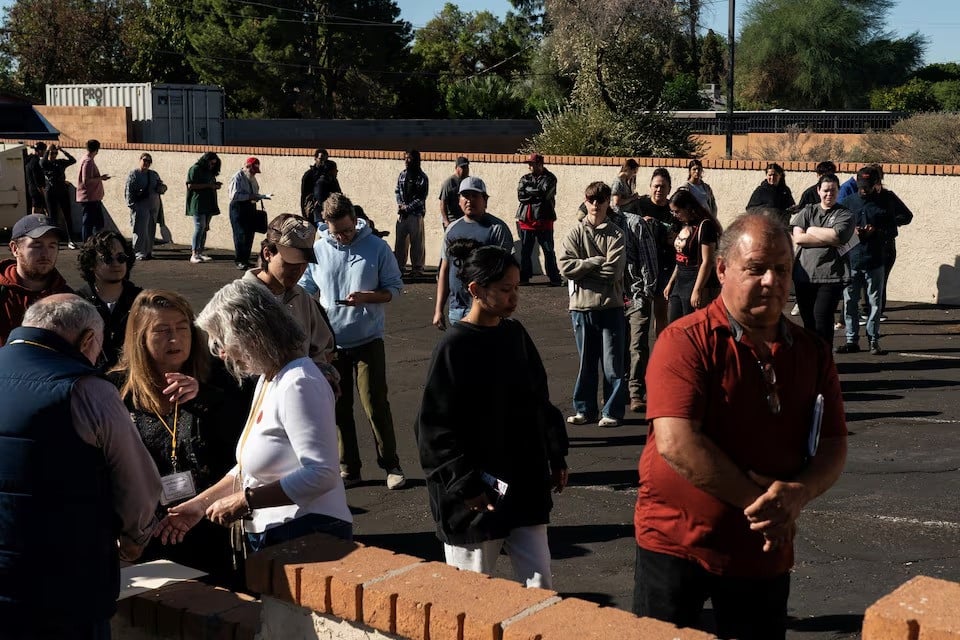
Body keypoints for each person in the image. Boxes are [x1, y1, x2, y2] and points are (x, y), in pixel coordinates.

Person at [633, 213, 847, 639]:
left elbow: (834, 443)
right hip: (678, 542)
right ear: (723, 269)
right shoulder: (685, 340)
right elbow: (677, 442)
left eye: (783, 269)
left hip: (761, 552)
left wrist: (800, 493)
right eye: (756, 268)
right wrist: (766, 507)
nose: (772, 281)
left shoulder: (812, 351)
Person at [0, 294, 161, 639]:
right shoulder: (88, 390)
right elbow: (140, 487)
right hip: (66, 589)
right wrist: (135, 540)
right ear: (88, 340)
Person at [157, 279, 352, 553]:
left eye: (223, 340)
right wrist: (199, 506)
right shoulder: (269, 379)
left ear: (250, 333)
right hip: (281, 533)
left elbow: (322, 473)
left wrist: (245, 501)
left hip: (307, 533)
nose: (223, 352)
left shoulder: (299, 382)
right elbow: (246, 469)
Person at [416, 239, 569, 588]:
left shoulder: (515, 334)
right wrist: (465, 484)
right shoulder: (454, 348)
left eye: (516, 288)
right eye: (504, 289)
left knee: (540, 586)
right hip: (475, 501)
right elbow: (434, 430)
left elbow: (539, 402)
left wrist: (556, 454)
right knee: (473, 595)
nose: (514, 297)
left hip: (524, 488)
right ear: (475, 289)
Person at [108, 290, 240, 584]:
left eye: (182, 329)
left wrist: (204, 398)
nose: (175, 339)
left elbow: (244, 452)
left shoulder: (219, 379)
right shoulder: (116, 390)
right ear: (140, 337)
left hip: (206, 521)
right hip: (144, 532)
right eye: (162, 331)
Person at [299, 193, 407, 490]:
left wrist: (367, 297)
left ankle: (391, 464)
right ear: (326, 225)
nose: (344, 237)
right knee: (339, 406)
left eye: (348, 230)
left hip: (368, 339)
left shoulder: (376, 247)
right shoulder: (318, 249)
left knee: (374, 402)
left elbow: (395, 288)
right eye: (337, 232)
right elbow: (305, 288)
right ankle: (349, 467)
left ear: (355, 220)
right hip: (330, 344)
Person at [242, 213, 339, 390]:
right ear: (267, 253)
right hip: (254, 403)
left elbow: (325, 347)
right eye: (290, 262)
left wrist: (320, 376)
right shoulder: (239, 299)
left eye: (303, 263)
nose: (298, 270)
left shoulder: (302, 297)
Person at [558, 181, 627, 428]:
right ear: (585, 201)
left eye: (601, 199)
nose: (595, 204)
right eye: (591, 199)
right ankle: (584, 409)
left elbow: (613, 271)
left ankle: (612, 411)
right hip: (581, 307)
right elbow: (565, 267)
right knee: (586, 363)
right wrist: (596, 261)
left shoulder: (617, 234)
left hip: (611, 307)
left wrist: (584, 268)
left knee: (612, 365)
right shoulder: (575, 232)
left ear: (608, 202)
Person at [434, 176, 515, 328]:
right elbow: (445, 270)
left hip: (486, 310)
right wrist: (438, 309)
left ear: (485, 200)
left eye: (475, 196)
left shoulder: (496, 229)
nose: (469, 200)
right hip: (456, 310)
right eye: (465, 196)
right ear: (459, 200)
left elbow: (506, 273)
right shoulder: (452, 229)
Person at [790, 173, 855, 345]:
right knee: (808, 323)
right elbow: (798, 238)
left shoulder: (845, 214)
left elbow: (837, 236)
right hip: (804, 275)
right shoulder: (807, 211)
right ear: (818, 190)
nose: (829, 194)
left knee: (822, 321)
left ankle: (825, 362)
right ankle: (812, 362)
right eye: (825, 190)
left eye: (833, 190)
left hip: (831, 276)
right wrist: (825, 236)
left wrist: (810, 230)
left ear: (838, 191)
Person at [835, 167, 893, 355]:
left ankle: (873, 339)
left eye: (867, 186)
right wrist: (854, 232)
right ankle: (851, 340)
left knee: (874, 303)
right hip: (851, 260)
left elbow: (894, 229)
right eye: (861, 185)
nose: (863, 189)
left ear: (876, 184)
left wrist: (877, 230)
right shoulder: (846, 203)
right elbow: (837, 229)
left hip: (875, 259)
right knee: (850, 302)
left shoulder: (884, 202)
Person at [0, 214, 72, 345]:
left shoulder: (67, 298)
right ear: (15, 249)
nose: (45, 253)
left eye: (52, 245)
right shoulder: (3, 294)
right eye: (37, 245)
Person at [75, 230, 142, 369]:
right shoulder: (77, 303)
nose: (116, 263)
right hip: (89, 380)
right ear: (91, 263)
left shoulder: (142, 301)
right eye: (107, 258)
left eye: (121, 257)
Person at [623, 199, 659, 413]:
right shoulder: (595, 226)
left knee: (637, 344)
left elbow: (648, 258)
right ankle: (621, 390)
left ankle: (636, 391)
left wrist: (647, 291)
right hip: (614, 296)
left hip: (636, 293)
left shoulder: (634, 224)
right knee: (616, 346)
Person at [664, 189, 721, 323]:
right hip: (680, 282)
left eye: (677, 211)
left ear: (687, 208)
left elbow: (707, 261)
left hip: (695, 280)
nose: (674, 215)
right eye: (672, 211)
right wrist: (671, 282)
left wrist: (697, 290)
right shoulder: (683, 225)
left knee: (691, 326)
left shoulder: (705, 226)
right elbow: (680, 259)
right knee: (674, 325)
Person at [635, 167, 675, 337]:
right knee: (640, 314)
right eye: (656, 186)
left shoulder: (673, 210)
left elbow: (679, 235)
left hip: (664, 264)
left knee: (661, 312)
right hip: (642, 265)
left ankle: (660, 349)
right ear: (650, 186)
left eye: (663, 187)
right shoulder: (639, 206)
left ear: (669, 189)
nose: (659, 190)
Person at [515, 153, 561, 286]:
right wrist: (535, 193)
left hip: (544, 219)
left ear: (540, 164)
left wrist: (529, 191)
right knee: (526, 251)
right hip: (526, 220)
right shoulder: (524, 178)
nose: (529, 166)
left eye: (532, 164)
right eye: (529, 164)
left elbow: (545, 194)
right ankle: (524, 278)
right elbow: (520, 196)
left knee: (548, 251)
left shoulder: (550, 178)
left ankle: (554, 278)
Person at [228, 156, 269, 270]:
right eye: (252, 170)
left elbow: (255, 191)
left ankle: (245, 259)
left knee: (249, 233)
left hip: (250, 206)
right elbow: (234, 195)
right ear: (247, 166)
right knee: (240, 234)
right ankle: (239, 260)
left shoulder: (252, 178)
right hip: (238, 207)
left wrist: (258, 196)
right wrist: (250, 196)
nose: (254, 173)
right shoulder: (238, 177)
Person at [125, 152, 167, 260]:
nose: (146, 163)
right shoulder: (134, 174)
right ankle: (138, 252)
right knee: (140, 229)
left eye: (149, 161)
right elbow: (129, 190)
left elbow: (160, 187)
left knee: (150, 229)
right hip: (140, 206)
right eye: (144, 160)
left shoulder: (153, 174)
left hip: (153, 206)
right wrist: (132, 205)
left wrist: (162, 187)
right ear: (140, 160)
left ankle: (148, 251)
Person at [394, 149, 429, 277]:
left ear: (416, 160)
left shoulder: (422, 177)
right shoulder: (402, 175)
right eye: (406, 158)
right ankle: (399, 267)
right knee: (400, 243)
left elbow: (421, 198)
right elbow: (397, 191)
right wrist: (400, 205)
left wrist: (408, 208)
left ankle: (417, 268)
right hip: (402, 215)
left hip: (416, 214)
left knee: (417, 243)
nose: (407, 161)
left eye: (410, 158)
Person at [186, 151, 222, 264]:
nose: (212, 166)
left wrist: (215, 186)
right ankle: (194, 253)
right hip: (198, 203)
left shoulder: (210, 172)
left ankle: (200, 251)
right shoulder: (195, 169)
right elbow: (190, 185)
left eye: (214, 164)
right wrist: (209, 185)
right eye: (210, 163)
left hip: (209, 203)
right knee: (199, 227)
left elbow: (210, 184)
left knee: (205, 227)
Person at [40, 144, 78, 247]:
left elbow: (73, 160)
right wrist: (47, 151)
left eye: (55, 153)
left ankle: (71, 239)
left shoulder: (60, 163)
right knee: (53, 216)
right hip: (50, 191)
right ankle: (53, 239)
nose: (54, 155)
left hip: (62, 190)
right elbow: (43, 162)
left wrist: (62, 150)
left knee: (67, 215)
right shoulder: (45, 163)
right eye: (52, 153)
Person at [76, 139, 111, 242]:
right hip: (90, 198)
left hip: (93, 197)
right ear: (96, 149)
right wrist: (101, 178)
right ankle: (88, 244)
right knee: (90, 223)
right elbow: (86, 180)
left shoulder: (86, 159)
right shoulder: (88, 161)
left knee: (96, 223)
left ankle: (93, 243)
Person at [438, 156, 469, 229]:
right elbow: (443, 203)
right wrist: (446, 221)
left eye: (466, 167)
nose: (465, 170)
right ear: (456, 168)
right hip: (452, 220)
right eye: (462, 167)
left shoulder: (468, 182)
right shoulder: (449, 183)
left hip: (464, 219)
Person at [24, 142, 46, 214]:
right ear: (39, 151)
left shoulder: (29, 159)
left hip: (31, 188)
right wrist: (41, 190)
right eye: (43, 150)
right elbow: (36, 178)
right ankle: (35, 223)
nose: (44, 152)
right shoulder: (35, 162)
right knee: (37, 207)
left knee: (35, 205)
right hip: (36, 189)